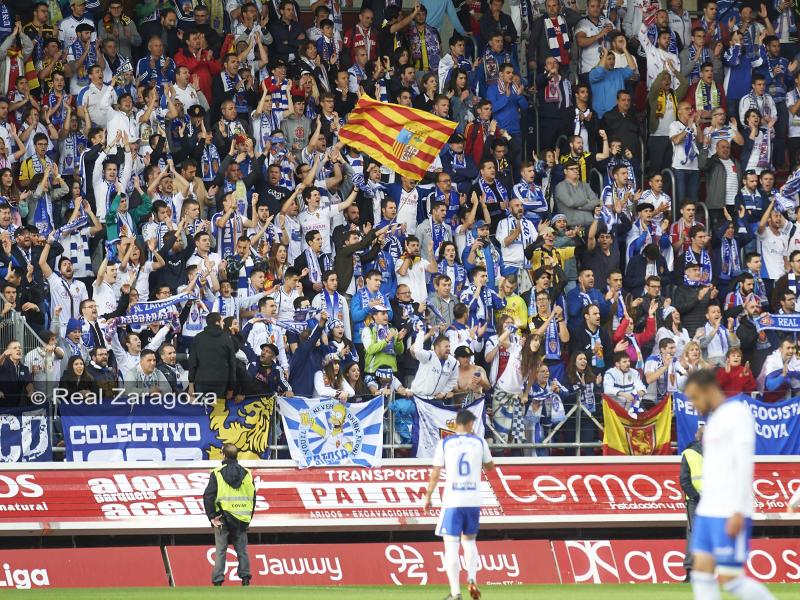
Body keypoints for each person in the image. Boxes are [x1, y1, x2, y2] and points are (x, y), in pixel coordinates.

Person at [683, 370, 776, 600]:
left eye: (694, 397)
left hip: (729, 510)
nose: (694, 405)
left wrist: (738, 510)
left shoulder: (737, 413)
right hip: (707, 510)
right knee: (701, 574)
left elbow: (744, 463)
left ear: (707, 390)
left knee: (730, 579)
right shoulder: (713, 421)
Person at [422, 408, 494, 600]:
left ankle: (455, 592)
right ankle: (472, 578)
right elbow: (490, 466)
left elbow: (436, 473)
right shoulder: (479, 442)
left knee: (451, 545)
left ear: (457, 423)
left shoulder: (446, 443)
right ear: (470, 424)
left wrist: (428, 496)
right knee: (469, 541)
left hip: (453, 499)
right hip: (473, 499)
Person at [203, 443, 256, 587]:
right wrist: (248, 517)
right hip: (241, 518)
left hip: (222, 517)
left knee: (220, 551)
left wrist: (211, 517)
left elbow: (208, 496)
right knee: (242, 551)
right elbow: (253, 496)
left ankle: (218, 581)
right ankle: (245, 579)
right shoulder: (247, 473)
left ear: (224, 454)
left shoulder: (217, 473)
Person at [680, 426, 704, 582]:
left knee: (694, 535)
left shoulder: (688, 454)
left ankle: (691, 572)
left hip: (696, 502)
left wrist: (695, 496)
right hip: (710, 501)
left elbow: (684, 480)